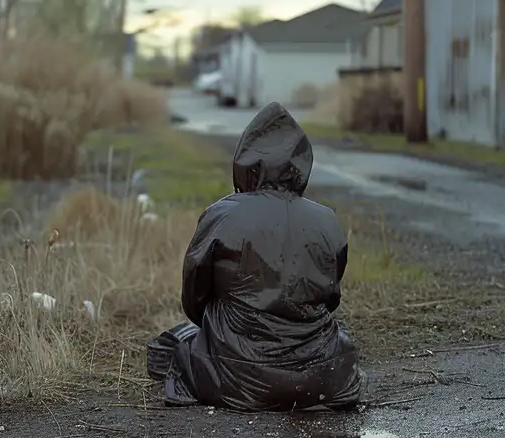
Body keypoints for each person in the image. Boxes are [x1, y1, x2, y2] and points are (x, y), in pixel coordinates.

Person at [149, 103, 361, 412]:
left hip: (235, 372)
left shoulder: (222, 214)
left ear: (245, 161)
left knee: (173, 345)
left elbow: (194, 298)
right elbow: (330, 298)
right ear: (300, 164)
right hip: (319, 376)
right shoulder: (327, 220)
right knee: (339, 340)